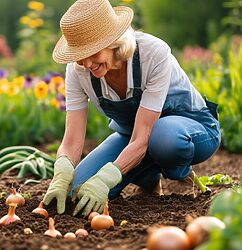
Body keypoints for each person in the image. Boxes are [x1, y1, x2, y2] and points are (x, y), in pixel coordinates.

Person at [42, 0, 220, 217]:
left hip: (190, 129)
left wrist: (106, 179)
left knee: (163, 139)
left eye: (92, 53)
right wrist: (62, 172)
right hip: (134, 138)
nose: (87, 64)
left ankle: (177, 170)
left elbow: (143, 137)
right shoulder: (78, 72)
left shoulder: (153, 54)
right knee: (76, 191)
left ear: (113, 41)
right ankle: (148, 176)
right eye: (80, 56)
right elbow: (72, 140)